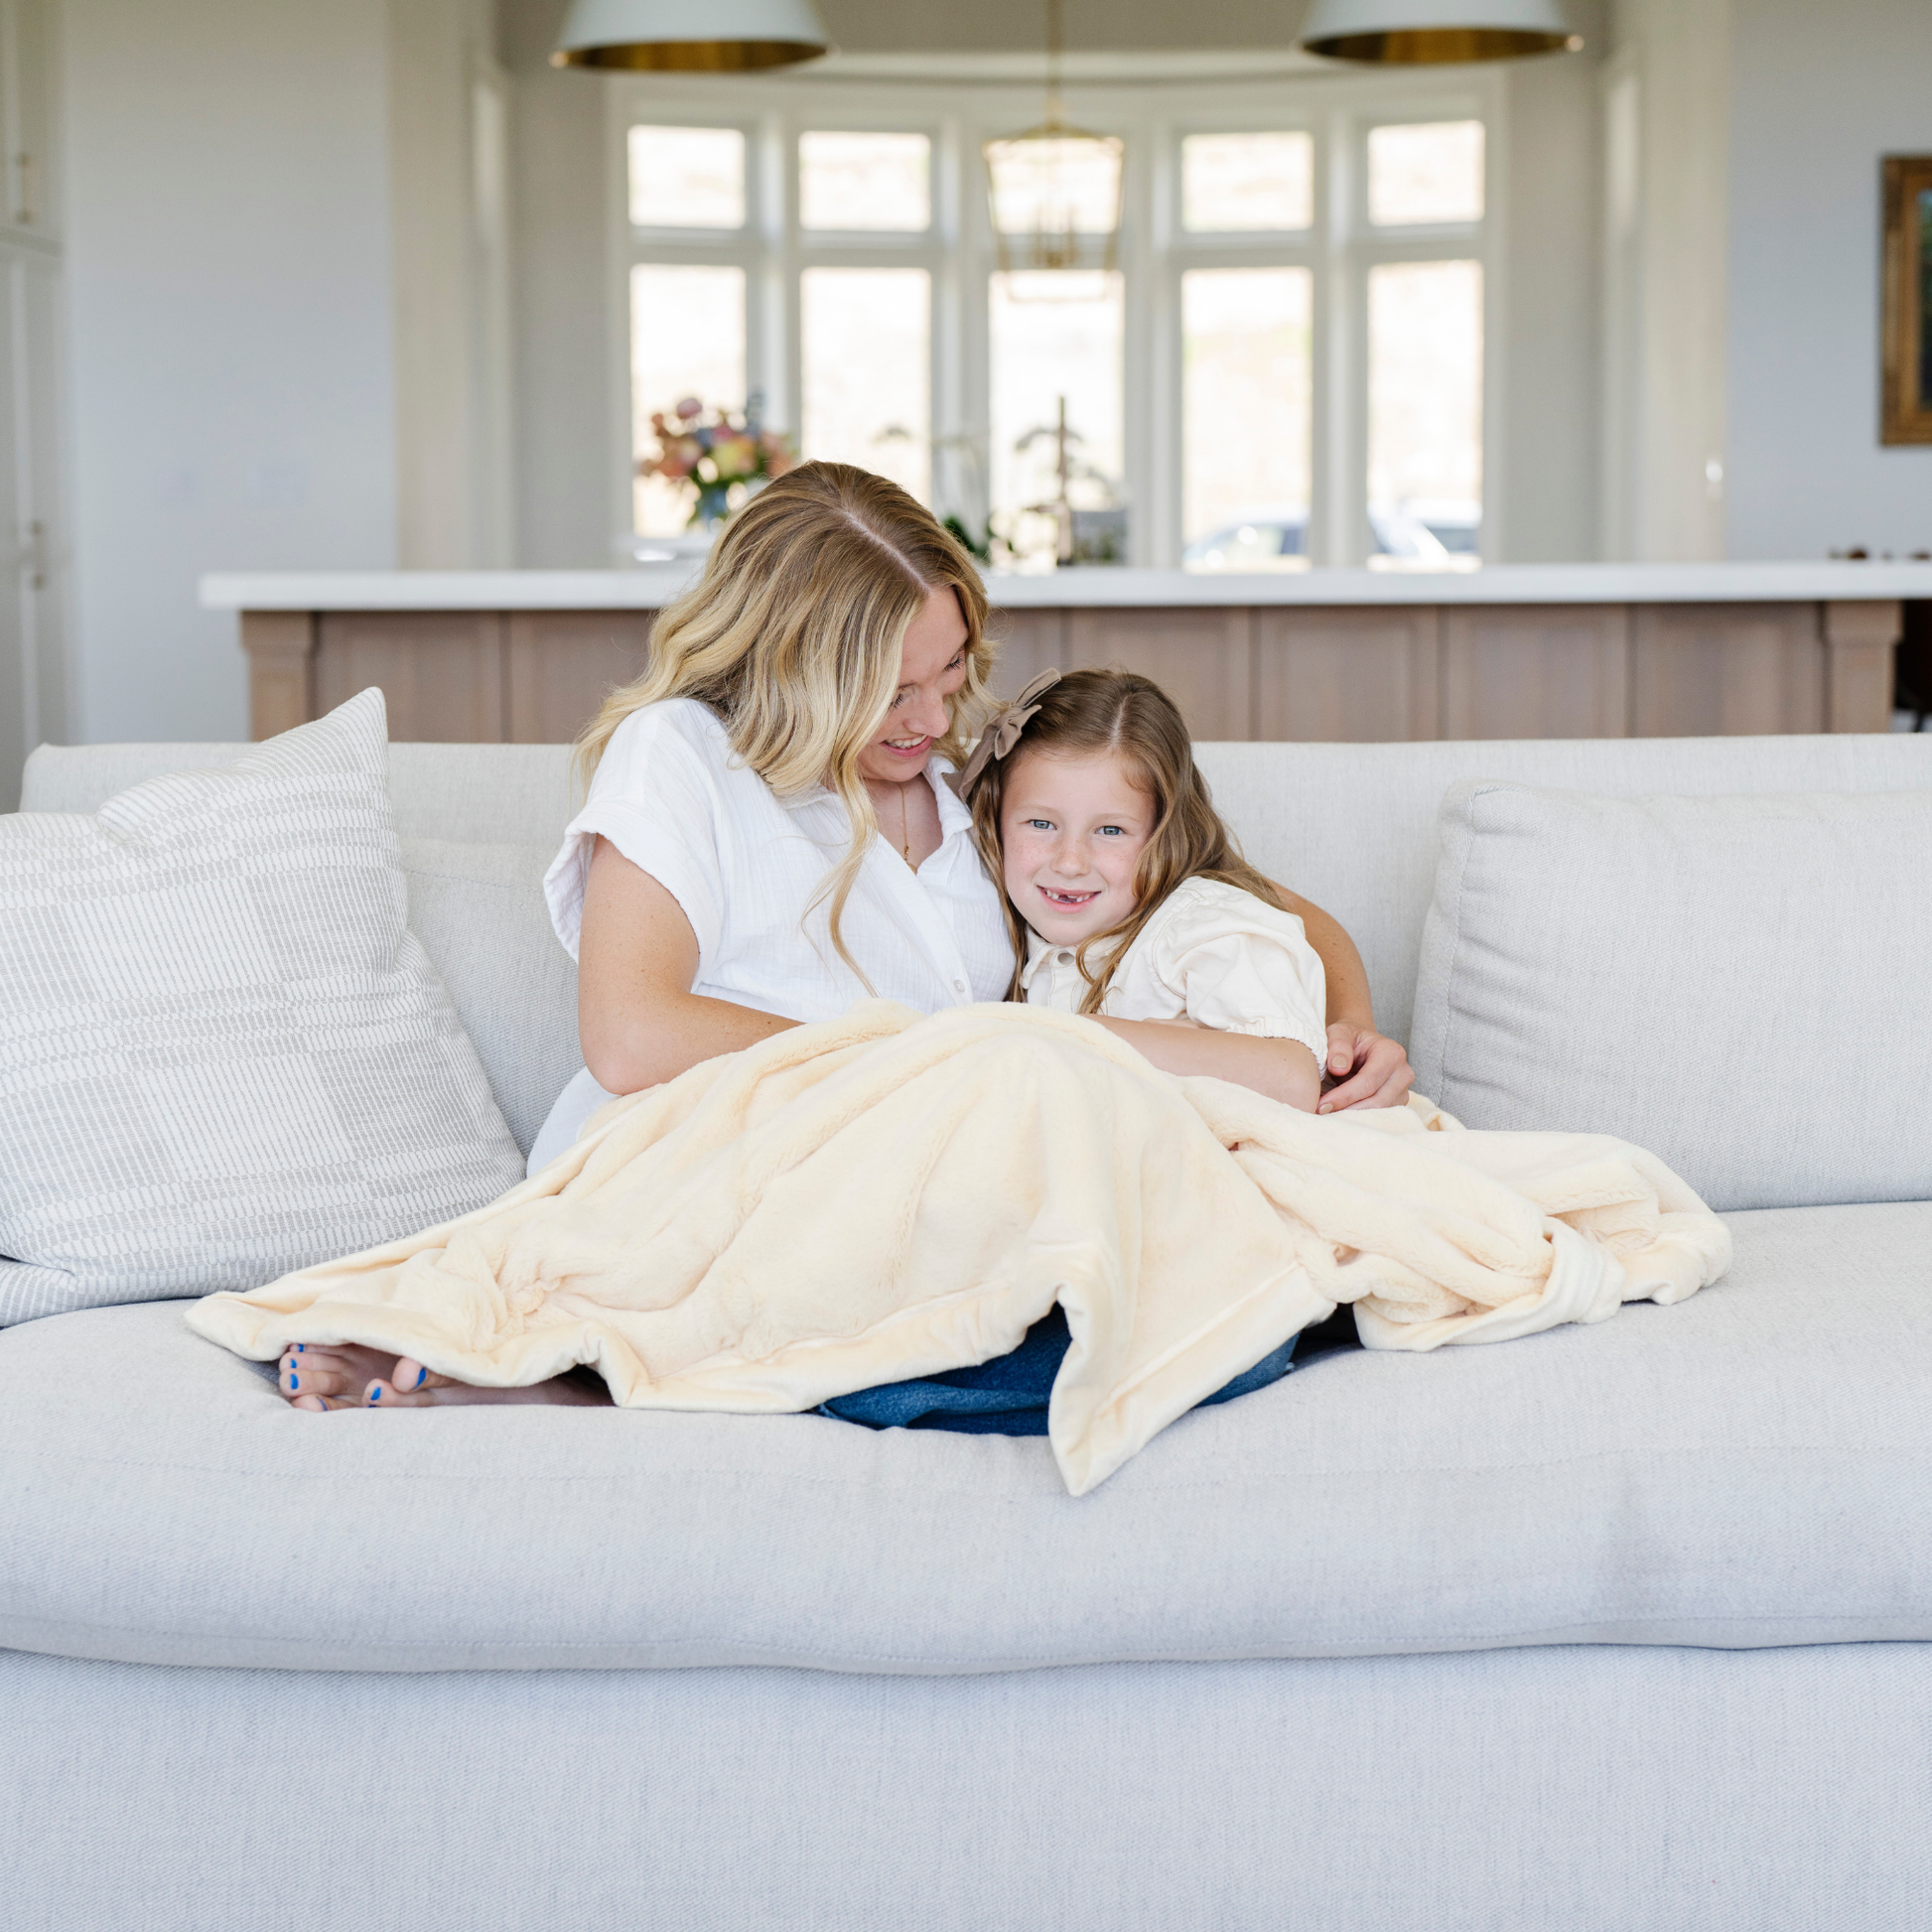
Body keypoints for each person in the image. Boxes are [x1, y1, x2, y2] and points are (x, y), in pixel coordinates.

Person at [277, 463, 1413, 1412]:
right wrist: (934, 1064)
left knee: (1197, 1287)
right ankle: (580, 1361)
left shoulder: (971, 790)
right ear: (792, 664)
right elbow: (629, 1032)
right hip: (712, 1156)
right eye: (889, 690)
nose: (929, 717)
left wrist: (1346, 1023)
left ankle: (618, 1370)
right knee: (1184, 1306)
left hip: (923, 1189)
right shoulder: (685, 756)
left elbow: (1243, 893)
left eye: (950, 671)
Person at [816, 665, 1330, 1438]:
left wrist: (1047, 1040)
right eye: (1041, 824)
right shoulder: (1032, 941)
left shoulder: (1204, 925)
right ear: (994, 822)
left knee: (1222, 1338)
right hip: (1095, 1245)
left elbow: (1287, 1073)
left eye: (1111, 831)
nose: (1069, 861)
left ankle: (852, 1387)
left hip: (1220, 1253)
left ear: (1167, 833)